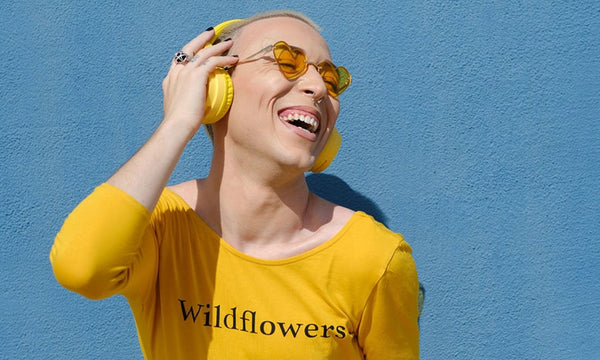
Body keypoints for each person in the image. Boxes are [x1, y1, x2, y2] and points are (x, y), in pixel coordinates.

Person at [50, 10, 420, 359]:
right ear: (217, 88)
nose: (318, 89)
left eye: (329, 78)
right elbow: (81, 269)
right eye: (286, 59)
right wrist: (178, 121)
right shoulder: (163, 226)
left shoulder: (374, 258)